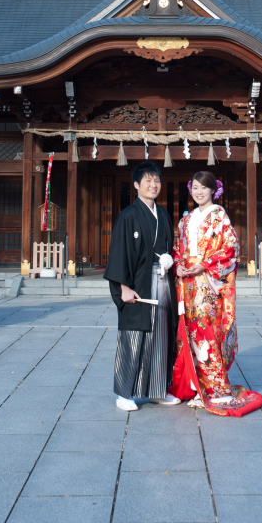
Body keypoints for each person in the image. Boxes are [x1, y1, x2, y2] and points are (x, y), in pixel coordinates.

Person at [171, 171, 262, 417]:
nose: (199, 192)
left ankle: (215, 389)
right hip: (186, 284)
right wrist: (177, 264)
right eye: (195, 187)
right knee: (187, 332)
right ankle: (194, 386)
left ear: (214, 190)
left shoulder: (219, 215)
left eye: (204, 187)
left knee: (205, 332)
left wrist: (205, 265)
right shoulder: (186, 219)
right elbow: (177, 248)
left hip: (207, 283)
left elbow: (230, 247)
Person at [104, 160, 181, 412]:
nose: (153, 185)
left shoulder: (164, 215)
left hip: (162, 282)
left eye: (157, 180)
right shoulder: (128, 215)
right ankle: (124, 393)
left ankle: (157, 390)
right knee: (133, 337)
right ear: (136, 185)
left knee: (161, 337)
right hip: (137, 284)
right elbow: (119, 252)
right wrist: (123, 287)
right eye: (148, 180)